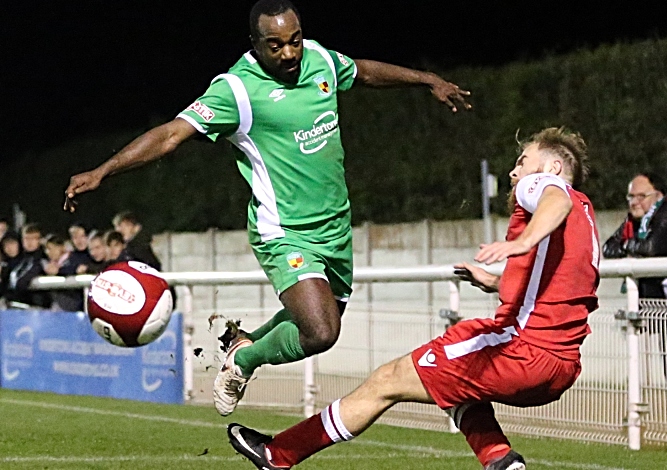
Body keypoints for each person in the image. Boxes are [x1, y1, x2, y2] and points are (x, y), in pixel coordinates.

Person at [63, 0, 471, 417]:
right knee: (321, 331)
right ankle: (244, 360)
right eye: (275, 46)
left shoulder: (319, 60)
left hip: (336, 226)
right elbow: (171, 134)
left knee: (323, 320)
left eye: (294, 41)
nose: (289, 53)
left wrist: (426, 80)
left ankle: (243, 343)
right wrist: (105, 170)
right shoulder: (235, 90)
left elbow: (363, 70)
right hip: (284, 231)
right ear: (255, 44)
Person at [226, 127, 599, 470]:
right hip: (560, 368)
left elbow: (554, 199)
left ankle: (278, 454)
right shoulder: (587, 215)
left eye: (522, 162)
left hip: (518, 351)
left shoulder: (544, 188)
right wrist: (494, 284)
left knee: (387, 380)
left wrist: (519, 241)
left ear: (552, 166)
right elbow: (557, 289)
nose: (515, 173)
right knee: (451, 386)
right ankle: (500, 460)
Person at [603, 173, 667, 452]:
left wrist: (627, 248)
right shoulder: (633, 222)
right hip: (666, 313)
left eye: (640, 196)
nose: (634, 202)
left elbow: (652, 248)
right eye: (630, 197)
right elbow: (609, 248)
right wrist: (628, 247)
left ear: (657, 196)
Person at [5, 223, 51, 309]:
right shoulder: (19, 259)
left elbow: (22, 281)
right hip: (18, 306)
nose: (30, 242)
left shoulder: (43, 259)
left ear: (40, 240)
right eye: (26, 238)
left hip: (36, 306)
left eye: (34, 238)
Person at [42, 234, 83, 311]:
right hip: (56, 307)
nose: (48, 252)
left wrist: (59, 271)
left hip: (72, 306)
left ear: (61, 247)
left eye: (50, 248)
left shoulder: (73, 259)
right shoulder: (49, 264)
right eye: (46, 249)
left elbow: (78, 269)